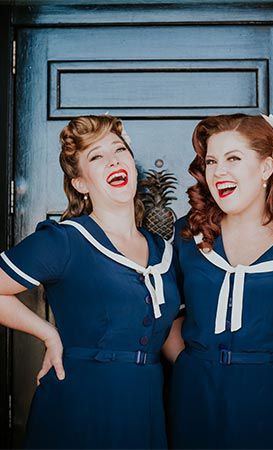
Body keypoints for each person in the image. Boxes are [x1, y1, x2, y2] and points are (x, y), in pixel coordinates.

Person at [0, 115, 180, 449]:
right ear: (81, 183)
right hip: (79, 406)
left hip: (147, 407)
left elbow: (170, 330)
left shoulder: (164, 250)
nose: (113, 160)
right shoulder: (64, 241)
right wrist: (48, 333)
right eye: (96, 156)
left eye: (119, 150)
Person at [163, 112, 273, 449]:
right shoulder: (188, 236)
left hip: (270, 403)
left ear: (266, 168)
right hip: (194, 399)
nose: (218, 171)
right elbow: (165, 316)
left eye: (233, 158)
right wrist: (191, 366)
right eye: (211, 161)